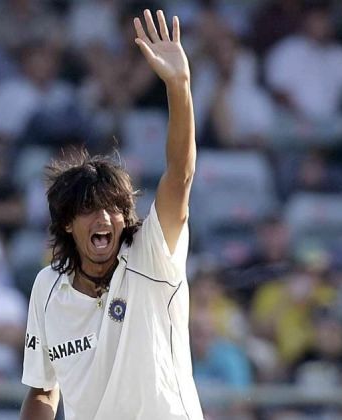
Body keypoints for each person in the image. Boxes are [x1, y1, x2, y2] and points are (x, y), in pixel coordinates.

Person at [20, 10, 204, 420]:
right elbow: (42, 393)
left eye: (112, 209)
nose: (103, 218)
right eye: (88, 210)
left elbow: (181, 174)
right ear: (68, 222)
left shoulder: (151, 254)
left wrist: (179, 85)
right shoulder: (47, 287)